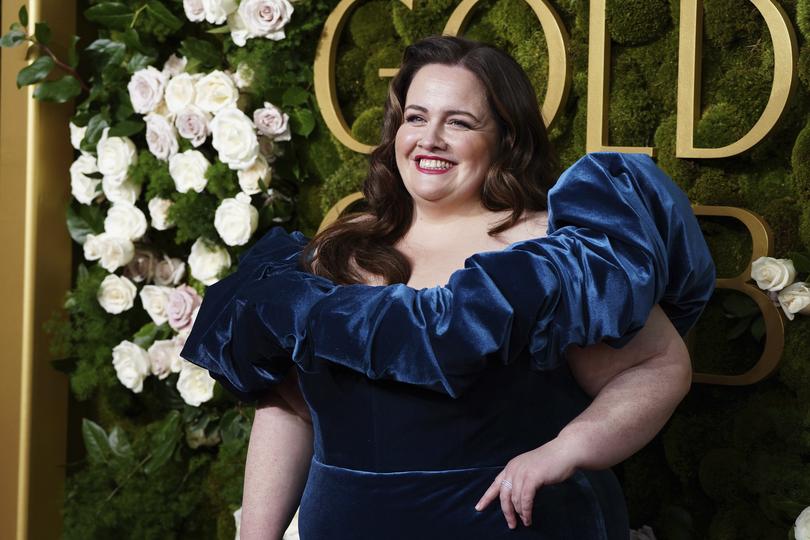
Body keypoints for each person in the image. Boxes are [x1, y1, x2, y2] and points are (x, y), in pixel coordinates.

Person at [181, 36, 715, 539]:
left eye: (458, 122)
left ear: (505, 138)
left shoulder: (553, 253)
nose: (429, 139)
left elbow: (658, 367)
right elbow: (289, 410)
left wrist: (568, 449)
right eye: (416, 117)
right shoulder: (334, 253)